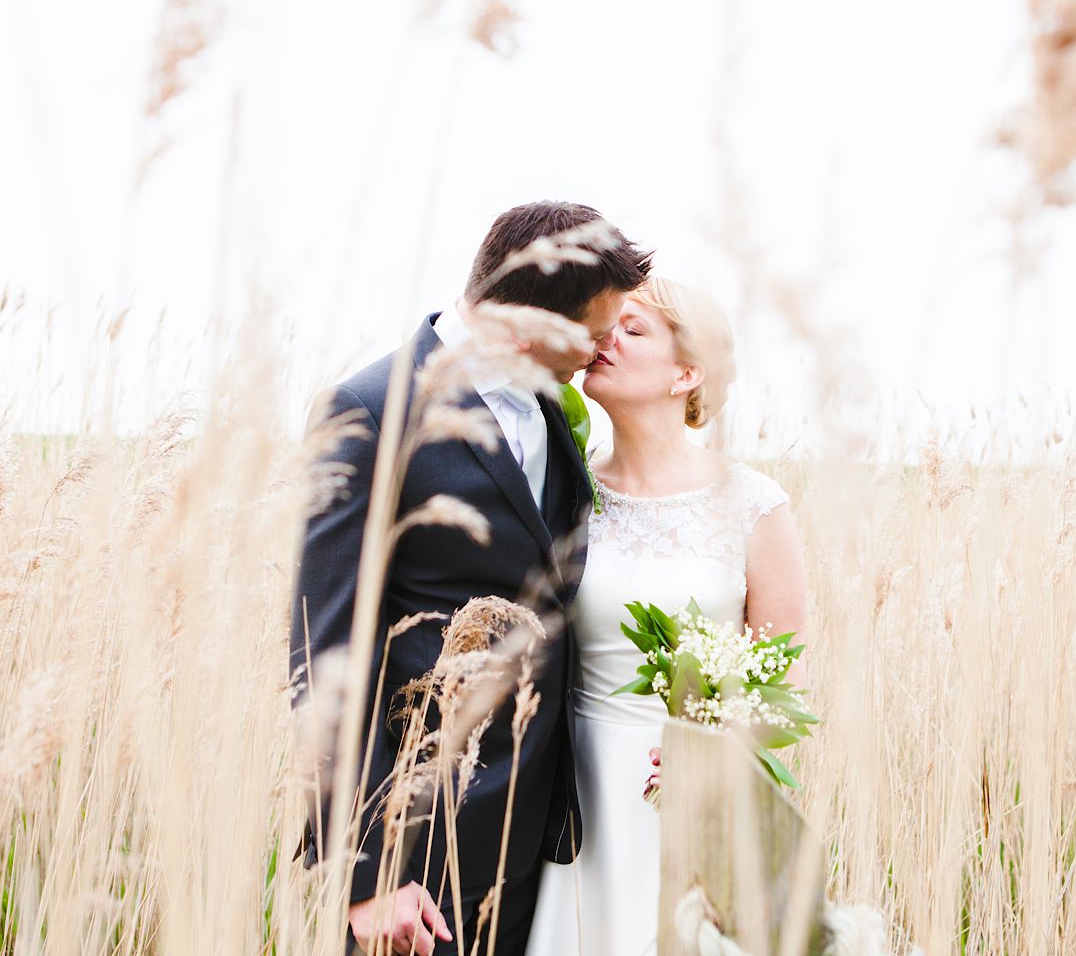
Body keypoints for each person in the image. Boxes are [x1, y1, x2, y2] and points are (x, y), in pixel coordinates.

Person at [290, 201, 652, 956]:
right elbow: (322, 653)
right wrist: (364, 873)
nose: (603, 352)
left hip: (542, 845)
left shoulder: (553, 411)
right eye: (593, 334)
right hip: (420, 851)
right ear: (529, 326)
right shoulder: (369, 412)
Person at [525, 276, 810, 956]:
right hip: (574, 800)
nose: (605, 340)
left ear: (687, 371)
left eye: (632, 329)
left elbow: (780, 685)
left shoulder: (752, 505)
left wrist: (718, 756)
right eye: (605, 326)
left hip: (690, 806)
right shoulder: (566, 497)